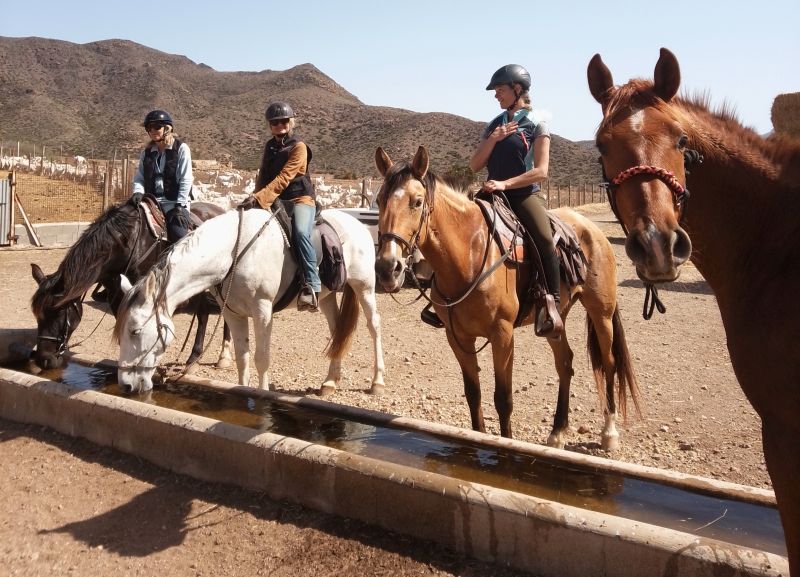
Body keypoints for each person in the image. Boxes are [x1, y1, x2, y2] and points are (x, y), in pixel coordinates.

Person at [469, 64, 563, 339]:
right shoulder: (494, 125)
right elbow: (475, 165)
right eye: (495, 91)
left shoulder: (536, 124)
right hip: (492, 194)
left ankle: (551, 304)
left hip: (523, 195)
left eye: (500, 90)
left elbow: (541, 171)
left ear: (517, 89)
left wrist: (505, 184)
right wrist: (493, 139)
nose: (496, 96)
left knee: (544, 239)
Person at [238, 102, 321, 312]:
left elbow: (285, 177)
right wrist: (253, 199)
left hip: (300, 199)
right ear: (270, 125)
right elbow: (264, 175)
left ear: (291, 122)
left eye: (283, 121)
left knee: (301, 233)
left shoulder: (299, 147)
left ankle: (312, 285)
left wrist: (261, 199)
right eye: (275, 122)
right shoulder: (270, 146)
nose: (279, 125)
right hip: (275, 200)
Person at [130, 109, 194, 244]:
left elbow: (186, 178)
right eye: (149, 127)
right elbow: (140, 177)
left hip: (174, 203)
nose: (152, 130)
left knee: (179, 239)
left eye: (157, 126)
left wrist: (180, 205)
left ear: (167, 128)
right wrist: (137, 192)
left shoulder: (181, 149)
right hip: (151, 202)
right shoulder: (147, 153)